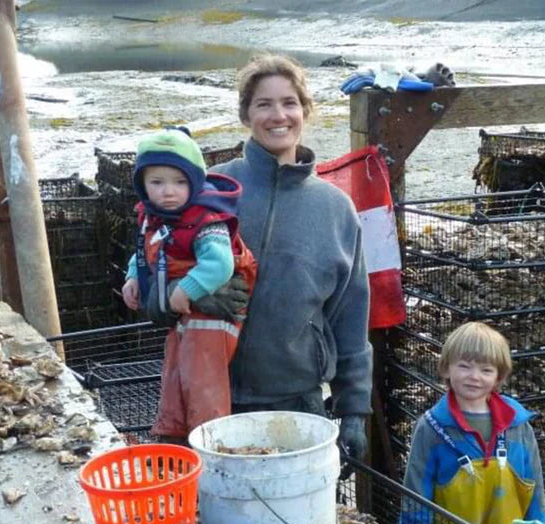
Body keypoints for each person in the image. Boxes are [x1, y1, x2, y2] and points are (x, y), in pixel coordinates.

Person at [189, 53, 373, 462]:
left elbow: (351, 314)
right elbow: (154, 276)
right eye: (264, 104)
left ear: (305, 111)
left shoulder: (336, 208)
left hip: (297, 402)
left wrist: (354, 411)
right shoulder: (212, 190)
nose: (279, 115)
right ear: (245, 114)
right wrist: (189, 296)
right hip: (209, 393)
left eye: (289, 103)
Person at [121, 128, 257, 442]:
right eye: (157, 182)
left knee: (202, 382)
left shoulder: (208, 220)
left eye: (180, 182)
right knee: (174, 375)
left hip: (215, 316)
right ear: (142, 185)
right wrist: (133, 277)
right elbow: (145, 247)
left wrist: (185, 290)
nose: (168, 192)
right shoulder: (154, 217)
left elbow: (220, 264)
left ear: (195, 182)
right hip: (184, 318)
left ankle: (209, 443)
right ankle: (172, 436)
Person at [398, 322, 545, 524]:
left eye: (486, 370)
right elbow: (417, 478)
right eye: (464, 366)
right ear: (446, 368)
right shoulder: (433, 426)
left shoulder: (517, 425)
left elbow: (533, 480)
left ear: (499, 377)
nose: (474, 376)